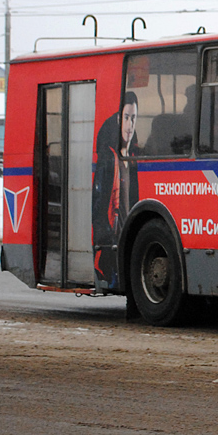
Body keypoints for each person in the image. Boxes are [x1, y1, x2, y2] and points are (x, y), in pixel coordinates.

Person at [92, 92, 140, 289]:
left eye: (133, 118)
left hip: (126, 239)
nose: (130, 125)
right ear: (119, 119)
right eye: (126, 118)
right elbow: (99, 206)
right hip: (112, 243)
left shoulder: (133, 159)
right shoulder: (109, 159)